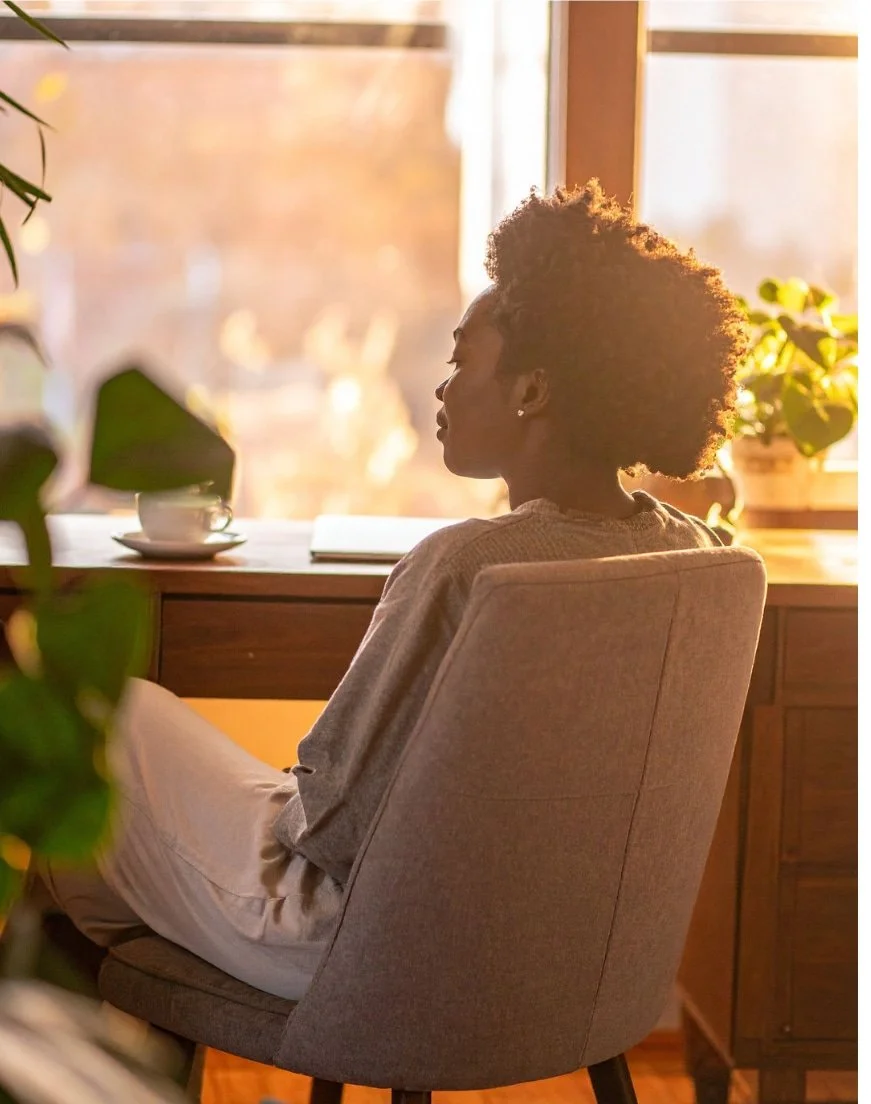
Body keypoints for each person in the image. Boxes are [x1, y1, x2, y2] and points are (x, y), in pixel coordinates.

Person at [42, 181, 747, 1000]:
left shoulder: (467, 567)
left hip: (367, 945)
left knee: (94, 716)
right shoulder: (695, 554)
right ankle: (129, 1011)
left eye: (460, 361)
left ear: (531, 390)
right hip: (551, 951)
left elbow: (331, 825)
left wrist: (284, 794)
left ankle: (98, 1030)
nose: (443, 390)